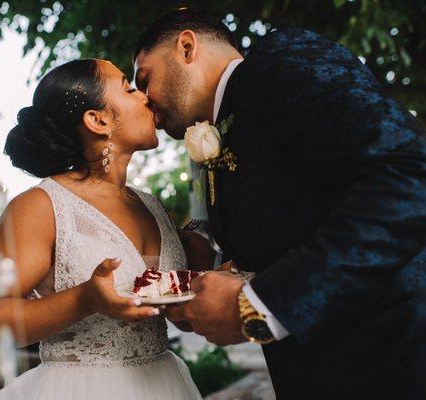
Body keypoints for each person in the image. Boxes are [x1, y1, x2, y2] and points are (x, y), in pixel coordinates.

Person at [133, 8, 426, 399]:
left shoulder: (282, 62)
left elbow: (408, 176)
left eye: (144, 79)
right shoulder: (226, 130)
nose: (146, 107)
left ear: (186, 47)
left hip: (394, 362)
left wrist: (257, 307)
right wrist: (215, 268)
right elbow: (294, 234)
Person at [0, 58, 202, 400]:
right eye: (128, 88)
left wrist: (204, 284)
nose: (145, 97)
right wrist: (84, 300)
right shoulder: (41, 206)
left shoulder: (151, 206)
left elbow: (176, 318)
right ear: (97, 120)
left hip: (164, 385)